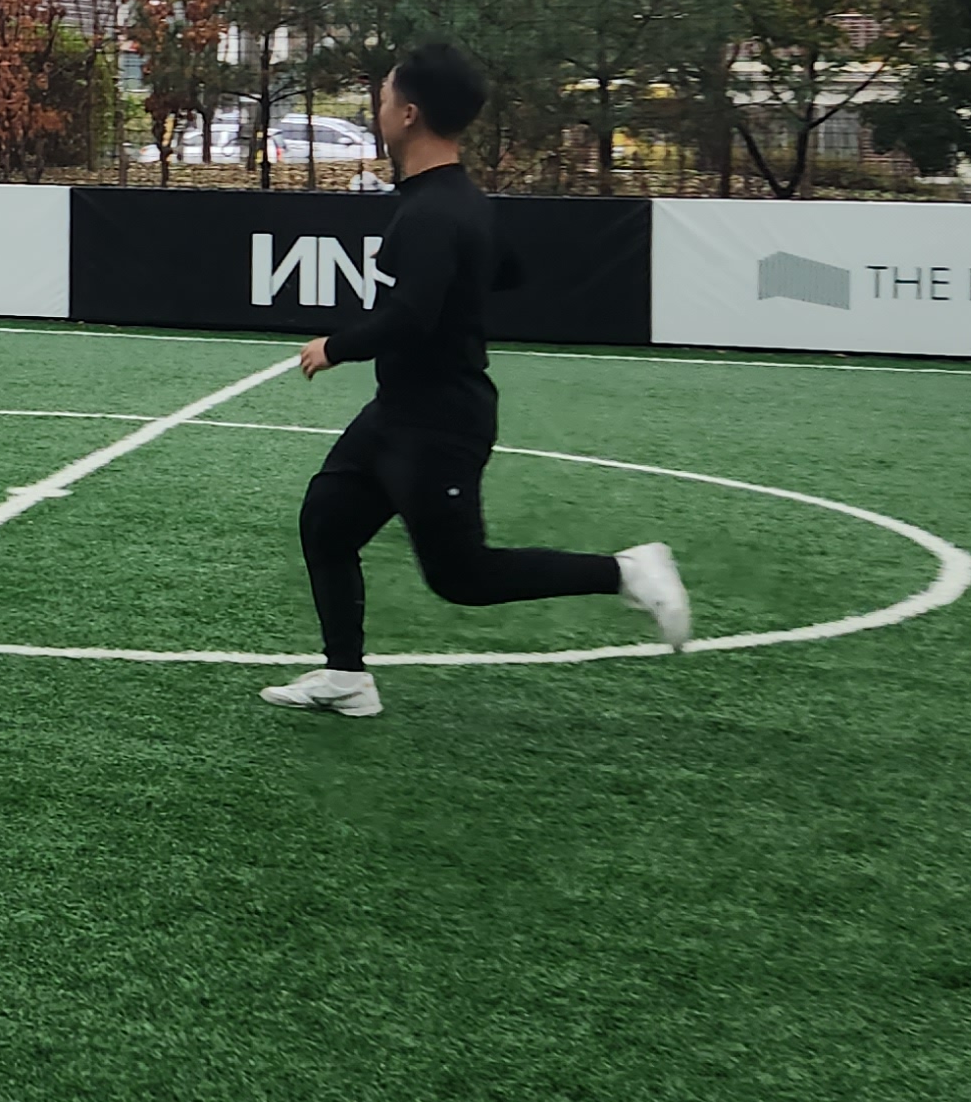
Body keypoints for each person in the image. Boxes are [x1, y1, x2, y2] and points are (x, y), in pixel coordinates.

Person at [263, 42, 692, 719]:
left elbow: (410, 317)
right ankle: (346, 677)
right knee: (326, 521)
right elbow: (507, 271)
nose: (377, 110)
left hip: (439, 422)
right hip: (399, 410)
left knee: (462, 576)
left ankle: (627, 572)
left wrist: (333, 347)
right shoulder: (451, 201)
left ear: (409, 113)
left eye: (383, 98)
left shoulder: (436, 212)